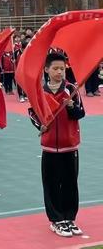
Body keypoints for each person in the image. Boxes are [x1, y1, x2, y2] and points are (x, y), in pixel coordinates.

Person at [28, 52, 85, 238]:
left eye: (62, 68)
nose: (59, 72)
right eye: (55, 68)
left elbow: (80, 113)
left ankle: (69, 218)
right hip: (49, 146)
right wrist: (40, 125)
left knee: (70, 182)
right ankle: (56, 220)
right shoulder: (40, 91)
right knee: (51, 183)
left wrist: (71, 107)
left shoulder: (71, 89)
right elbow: (32, 112)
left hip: (70, 145)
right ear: (46, 70)